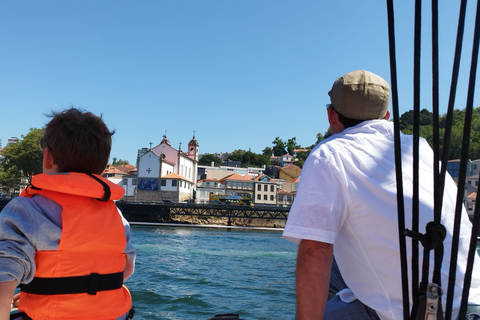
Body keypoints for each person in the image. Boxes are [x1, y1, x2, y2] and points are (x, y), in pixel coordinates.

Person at [283, 70, 480, 319]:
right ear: (386, 117)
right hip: (471, 305)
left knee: (324, 248)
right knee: (336, 265)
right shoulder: (420, 148)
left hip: (412, 313)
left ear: (331, 115)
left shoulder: (330, 154)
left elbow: (315, 250)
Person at [0, 108, 136, 320]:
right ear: (102, 168)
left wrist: (44, 291)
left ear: (47, 157)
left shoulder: (27, 211)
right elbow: (123, 271)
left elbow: (4, 271)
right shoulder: (117, 217)